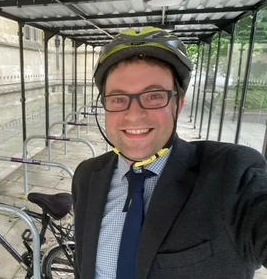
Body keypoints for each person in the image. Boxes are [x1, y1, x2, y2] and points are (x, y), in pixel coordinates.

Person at [71, 27, 267, 279]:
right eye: (118, 99)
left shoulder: (231, 173)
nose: (133, 114)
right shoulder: (87, 175)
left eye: (154, 96)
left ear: (179, 104)